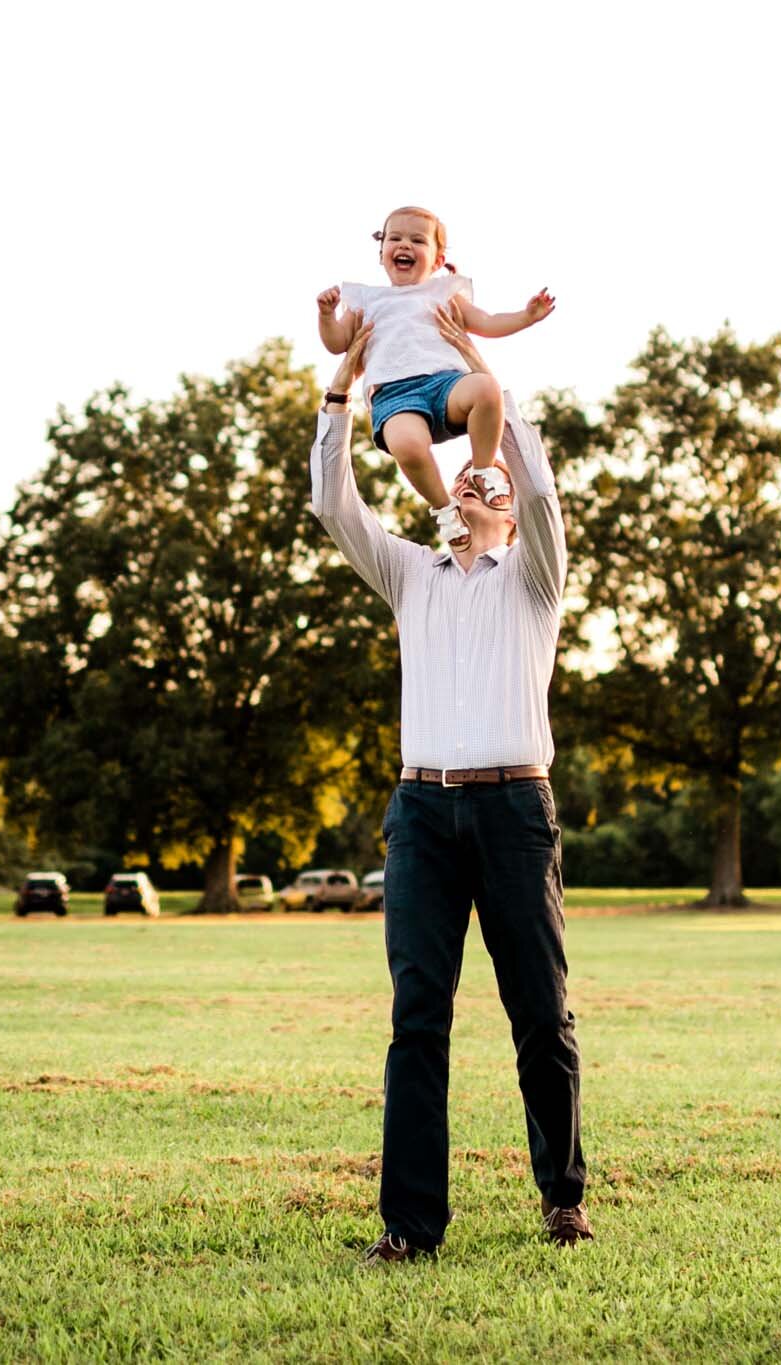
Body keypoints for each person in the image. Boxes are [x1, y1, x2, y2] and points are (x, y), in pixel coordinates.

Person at [309, 307, 590, 1264]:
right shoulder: (410, 575)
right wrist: (343, 393)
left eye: (492, 479)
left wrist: (487, 387)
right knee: (416, 1018)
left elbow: (546, 501)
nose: (475, 479)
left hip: (514, 810)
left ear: (507, 506)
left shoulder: (535, 581)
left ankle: (562, 1194)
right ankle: (410, 1227)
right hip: (421, 812)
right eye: (466, 474)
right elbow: (334, 506)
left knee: (539, 1013)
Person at [316, 205, 554, 554]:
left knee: (487, 387)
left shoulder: (443, 293)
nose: (404, 245)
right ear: (381, 253)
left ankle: (483, 470)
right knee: (408, 447)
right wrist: (326, 316)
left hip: (446, 385)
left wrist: (526, 317)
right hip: (395, 397)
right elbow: (337, 343)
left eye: (417, 240)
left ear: (438, 259)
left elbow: (486, 323)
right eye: (395, 238)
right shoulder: (367, 300)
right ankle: (444, 508)